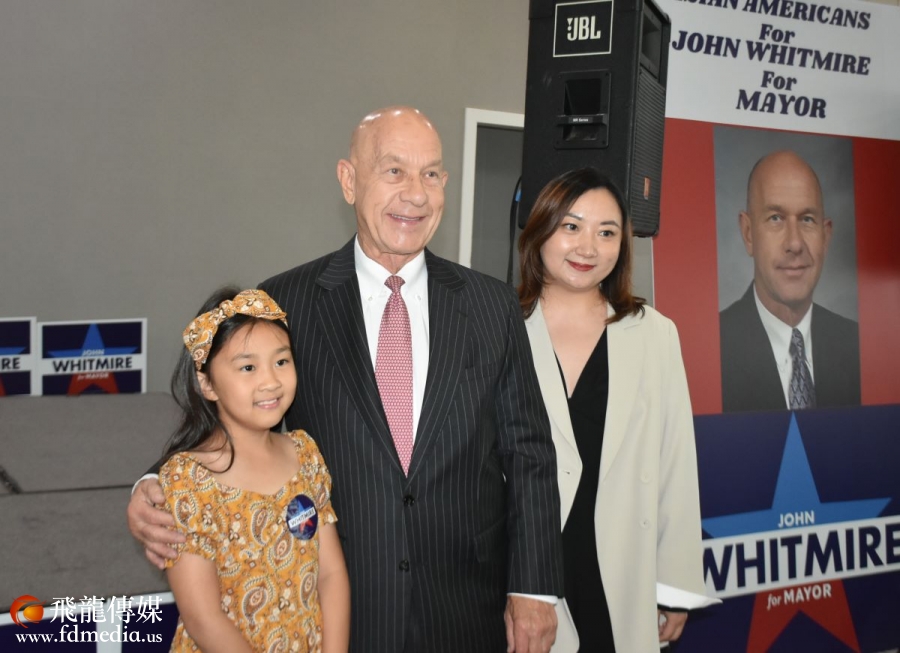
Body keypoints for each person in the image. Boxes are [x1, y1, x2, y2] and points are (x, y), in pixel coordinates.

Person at [128, 107, 564, 653]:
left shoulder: (490, 304)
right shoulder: (285, 302)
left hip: (467, 607)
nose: (416, 194)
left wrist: (534, 588)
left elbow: (529, 451)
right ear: (349, 180)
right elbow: (235, 412)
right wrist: (153, 485)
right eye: (394, 171)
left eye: (431, 174)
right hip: (340, 611)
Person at [518, 168, 709, 652]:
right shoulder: (500, 326)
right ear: (541, 229)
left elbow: (675, 464)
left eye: (607, 233)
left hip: (620, 568)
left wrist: (674, 586)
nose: (588, 247)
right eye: (571, 226)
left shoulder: (653, 334)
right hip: (525, 574)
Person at [159, 287, 349, 653]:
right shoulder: (188, 479)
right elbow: (202, 618)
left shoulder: (305, 453)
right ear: (207, 384)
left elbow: (331, 574)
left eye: (282, 361)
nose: (271, 381)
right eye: (248, 367)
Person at [720, 150, 860, 413]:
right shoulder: (712, 348)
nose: (795, 243)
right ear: (748, 234)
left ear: (825, 236)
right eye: (776, 218)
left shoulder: (859, 345)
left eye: (807, 220)